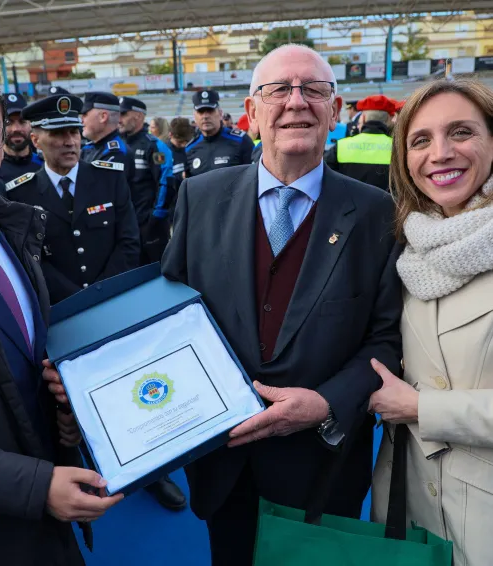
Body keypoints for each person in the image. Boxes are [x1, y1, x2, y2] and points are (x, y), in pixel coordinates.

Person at [162, 44, 403, 565]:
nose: (297, 101)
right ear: (252, 113)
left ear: (335, 113)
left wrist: (327, 403)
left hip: (322, 468)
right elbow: (171, 316)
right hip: (225, 462)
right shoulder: (199, 198)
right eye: (278, 90)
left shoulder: (377, 213)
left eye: (314, 89)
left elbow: (386, 338)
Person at [0, 64, 122, 565]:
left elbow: (18, 368)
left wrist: (65, 415)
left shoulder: (12, 230)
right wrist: (36, 487)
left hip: (42, 521)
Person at [371, 78, 493, 566]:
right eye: (420, 140)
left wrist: (423, 407)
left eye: (461, 132)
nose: (440, 153)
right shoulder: (409, 246)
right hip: (410, 505)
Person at [6, 93, 140, 305]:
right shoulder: (21, 194)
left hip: (113, 298)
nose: (69, 142)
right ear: (36, 141)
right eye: (58, 134)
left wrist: (102, 292)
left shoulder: (110, 179)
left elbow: (129, 242)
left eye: (74, 132)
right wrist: (77, 300)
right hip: (61, 306)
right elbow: (31, 258)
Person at [119, 96, 175, 266]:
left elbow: (166, 182)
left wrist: (155, 217)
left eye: (123, 114)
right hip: (124, 225)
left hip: (148, 226)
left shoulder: (154, 146)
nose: (119, 118)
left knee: (155, 272)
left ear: (138, 115)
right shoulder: (117, 144)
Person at [324, 95, 394, 190]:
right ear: (388, 121)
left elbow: (325, 178)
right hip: (388, 200)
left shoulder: (341, 146)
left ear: (363, 118)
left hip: (347, 199)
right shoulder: (397, 148)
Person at [185, 89, 254, 177]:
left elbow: (253, 177)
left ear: (220, 114)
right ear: (194, 117)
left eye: (210, 111)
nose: (205, 116)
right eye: (201, 112)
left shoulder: (241, 140)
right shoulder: (189, 148)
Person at [80, 91, 135, 188]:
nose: (81, 120)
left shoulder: (117, 153)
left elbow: (95, 191)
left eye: (85, 114)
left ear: (103, 117)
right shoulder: (88, 149)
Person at [0, 92, 43, 184]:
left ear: (30, 125)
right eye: (8, 122)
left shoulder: (44, 166)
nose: (16, 129)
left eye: (22, 122)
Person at [167, 117, 193, 206]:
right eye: (179, 142)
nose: (183, 145)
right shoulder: (164, 152)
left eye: (186, 141)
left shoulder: (189, 149)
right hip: (171, 201)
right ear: (170, 135)